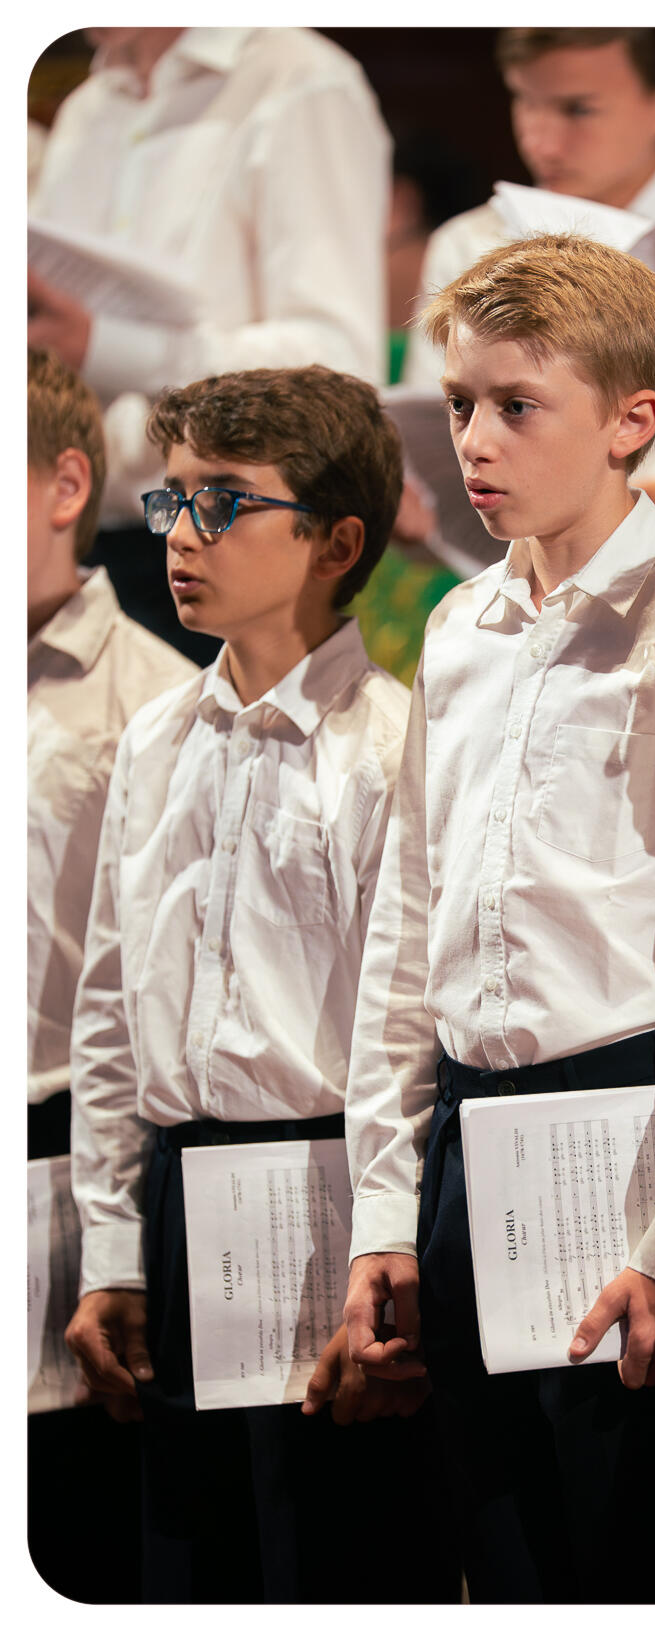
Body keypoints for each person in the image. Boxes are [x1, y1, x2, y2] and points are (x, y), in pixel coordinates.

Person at [342, 232, 655, 1603]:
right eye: (462, 405)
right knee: (494, 1549)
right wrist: (383, 1210)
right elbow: (406, 925)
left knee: (627, 1554)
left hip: (625, 1132)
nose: (473, 441)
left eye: (515, 407)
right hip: (464, 1135)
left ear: (631, 421)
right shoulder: (457, 628)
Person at [63, 365, 458, 1605]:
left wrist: (383, 1255)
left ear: (340, 540)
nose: (179, 536)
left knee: (336, 1563)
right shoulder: (152, 737)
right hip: (185, 1199)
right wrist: (114, 1252)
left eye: (224, 505)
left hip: (326, 1203)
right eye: (173, 501)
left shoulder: (388, 745)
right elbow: (114, 1014)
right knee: (191, 1571)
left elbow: (405, 1039)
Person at [29, 26, 392, 659]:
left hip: (226, 541)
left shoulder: (300, 79)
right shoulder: (92, 103)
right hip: (78, 544)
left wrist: (104, 347)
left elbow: (338, 364)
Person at [28, 347, 195, 1602]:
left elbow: (142, 1007)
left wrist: (114, 1245)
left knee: (69, 1531)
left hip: (59, 1162)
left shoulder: (153, 703)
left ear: (63, 482)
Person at [402, 28, 655, 562]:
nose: (541, 142)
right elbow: (433, 454)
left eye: (577, 110)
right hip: (512, 590)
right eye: (525, 101)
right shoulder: (468, 243)